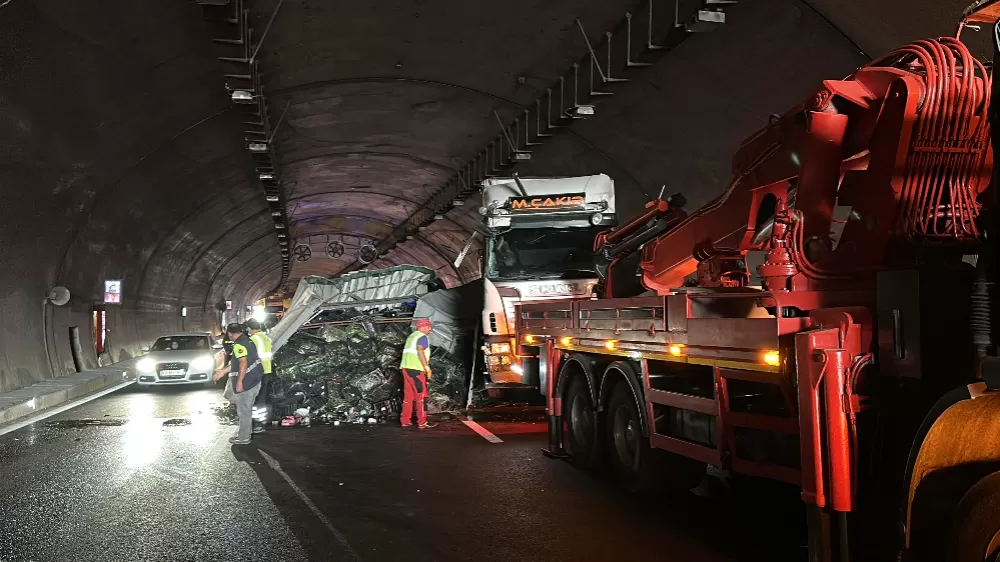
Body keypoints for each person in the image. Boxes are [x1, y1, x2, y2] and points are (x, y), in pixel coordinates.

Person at [213, 323, 264, 444]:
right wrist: (223, 372)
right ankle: (246, 432)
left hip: (247, 383)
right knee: (247, 409)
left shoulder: (239, 345)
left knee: (244, 411)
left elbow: (243, 364)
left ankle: (243, 438)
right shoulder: (249, 341)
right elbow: (238, 363)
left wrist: (240, 383)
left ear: (230, 334)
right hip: (255, 380)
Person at [399, 318, 436, 429]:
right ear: (423, 327)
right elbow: (420, 350)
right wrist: (427, 367)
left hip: (405, 369)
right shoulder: (422, 337)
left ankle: (405, 421)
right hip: (415, 370)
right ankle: (422, 422)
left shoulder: (411, 337)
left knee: (408, 397)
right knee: (422, 396)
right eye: (428, 327)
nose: (430, 329)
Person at [247, 319, 273, 434]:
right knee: (261, 399)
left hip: (257, 373)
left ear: (249, 328)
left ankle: (255, 425)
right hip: (266, 371)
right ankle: (260, 424)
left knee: (254, 399)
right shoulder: (266, 337)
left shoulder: (253, 339)